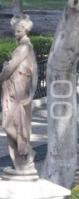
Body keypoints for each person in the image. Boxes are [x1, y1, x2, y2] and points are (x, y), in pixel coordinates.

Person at [0, 15, 38, 173]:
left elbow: (10, 68)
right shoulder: (23, 46)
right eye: (15, 30)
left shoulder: (24, 47)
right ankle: (20, 164)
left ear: (25, 30)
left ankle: (27, 152)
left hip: (17, 92)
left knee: (11, 125)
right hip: (12, 91)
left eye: (19, 30)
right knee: (11, 125)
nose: (16, 33)